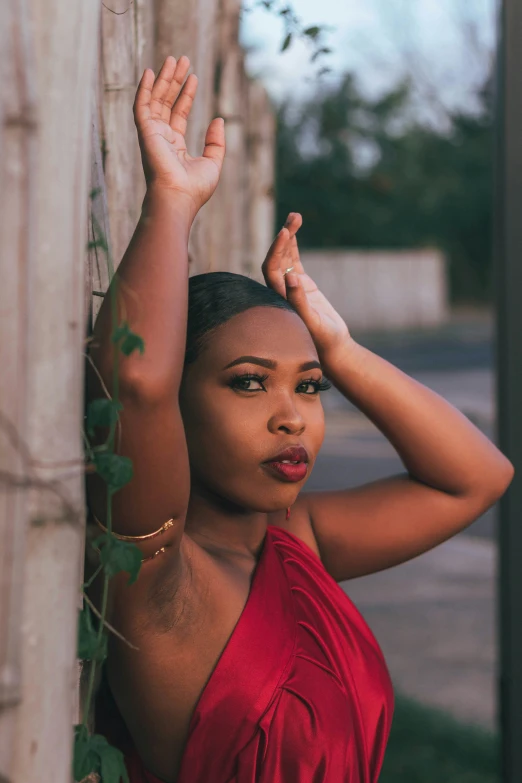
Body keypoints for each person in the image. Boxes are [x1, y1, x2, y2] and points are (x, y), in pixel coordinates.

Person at [86, 55, 514, 783]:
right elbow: (133, 379)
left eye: (310, 389)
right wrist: (174, 203)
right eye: (249, 383)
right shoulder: (158, 578)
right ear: (179, 408)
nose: (293, 419)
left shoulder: (295, 542)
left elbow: (477, 477)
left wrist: (341, 350)